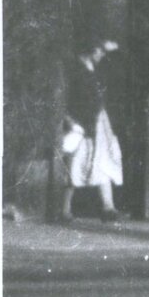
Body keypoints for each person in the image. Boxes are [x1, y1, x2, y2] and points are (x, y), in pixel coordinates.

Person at [58, 37, 123, 223]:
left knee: (103, 162)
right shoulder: (77, 71)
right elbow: (70, 99)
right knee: (75, 164)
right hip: (82, 123)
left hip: (97, 122)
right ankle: (64, 209)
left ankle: (108, 206)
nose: (101, 55)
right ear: (89, 50)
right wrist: (71, 121)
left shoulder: (93, 70)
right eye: (99, 51)